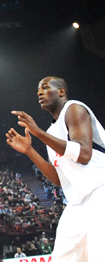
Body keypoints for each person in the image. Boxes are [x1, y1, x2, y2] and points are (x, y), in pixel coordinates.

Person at [6, 76, 105, 261]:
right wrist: (29, 150)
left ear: (61, 91)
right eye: (38, 91)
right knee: (62, 257)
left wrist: (38, 133)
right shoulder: (51, 133)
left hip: (101, 190)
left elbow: (83, 155)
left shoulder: (74, 108)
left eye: (44, 87)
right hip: (76, 202)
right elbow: (58, 178)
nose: (39, 93)